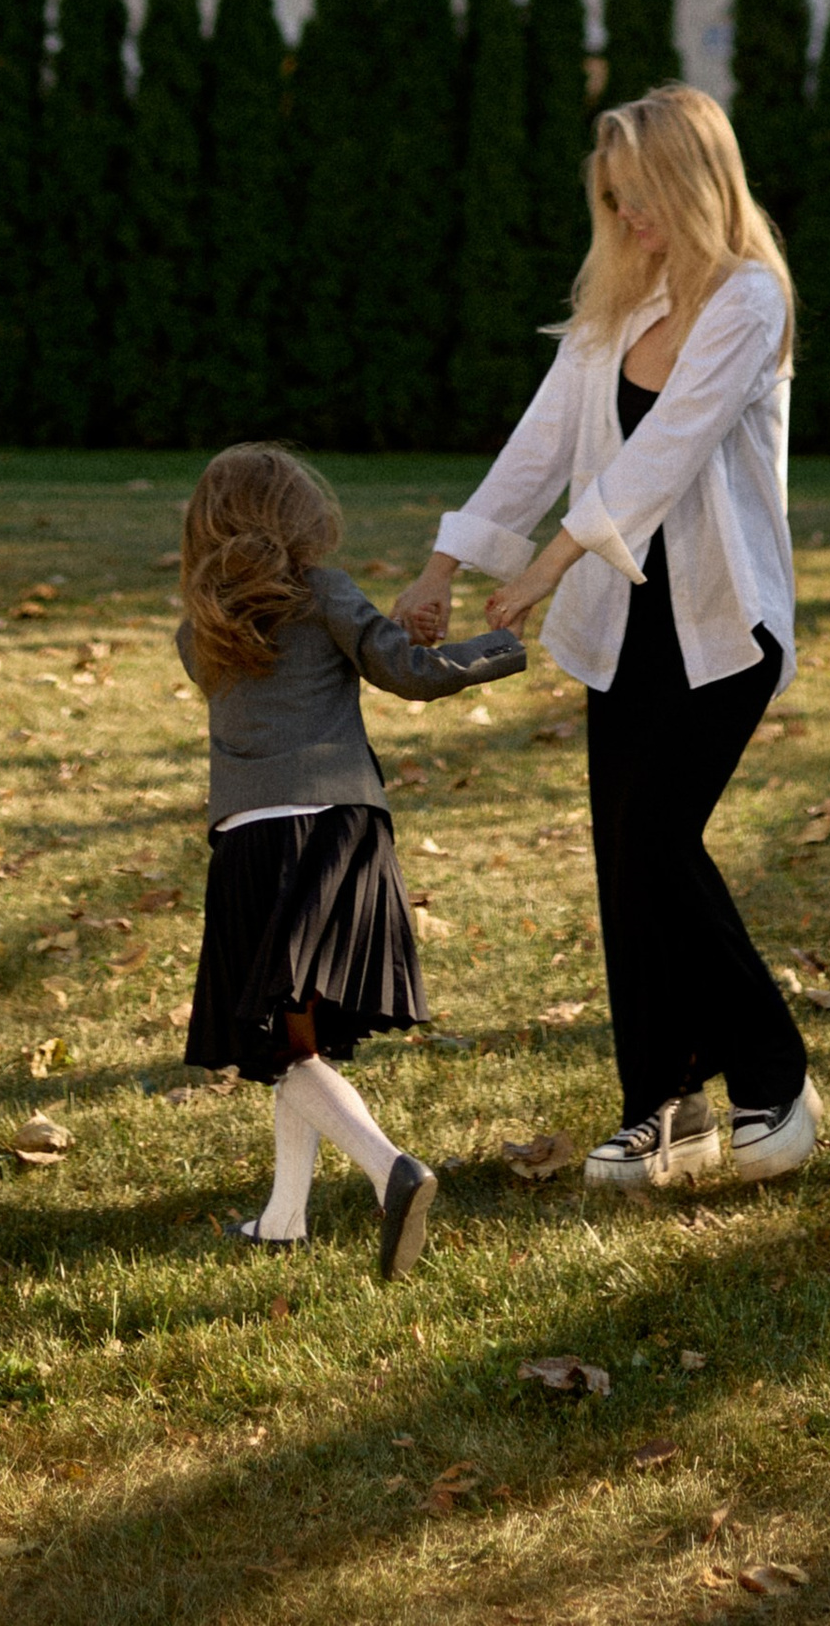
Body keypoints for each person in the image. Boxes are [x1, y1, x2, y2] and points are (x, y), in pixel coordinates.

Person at [396, 83, 817, 1197]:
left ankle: (775, 1070)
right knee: (624, 869)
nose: (627, 219)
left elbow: (662, 455)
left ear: (691, 181)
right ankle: (661, 1107)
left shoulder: (747, 300)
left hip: (723, 631)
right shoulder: (618, 312)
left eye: (641, 197)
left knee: (660, 843)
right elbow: (542, 440)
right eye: (613, 199)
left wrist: (543, 565)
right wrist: (448, 562)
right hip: (622, 633)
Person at [177, 438, 523, 1273]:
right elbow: (409, 674)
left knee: (285, 1041)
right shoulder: (324, 594)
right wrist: (496, 650)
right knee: (294, 1041)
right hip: (341, 832)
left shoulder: (201, 633)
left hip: (253, 843)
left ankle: (384, 1170)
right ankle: (302, 1209)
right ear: (304, 521)